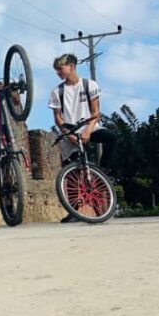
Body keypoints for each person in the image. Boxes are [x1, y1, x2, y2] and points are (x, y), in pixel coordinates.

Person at [48, 53, 117, 223]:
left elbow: (95, 112)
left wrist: (87, 131)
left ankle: (103, 171)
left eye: (60, 69)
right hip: (69, 131)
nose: (58, 73)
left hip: (89, 126)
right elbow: (58, 118)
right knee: (71, 172)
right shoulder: (58, 91)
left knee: (111, 138)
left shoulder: (89, 85)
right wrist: (68, 134)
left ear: (72, 66)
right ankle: (73, 210)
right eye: (56, 70)